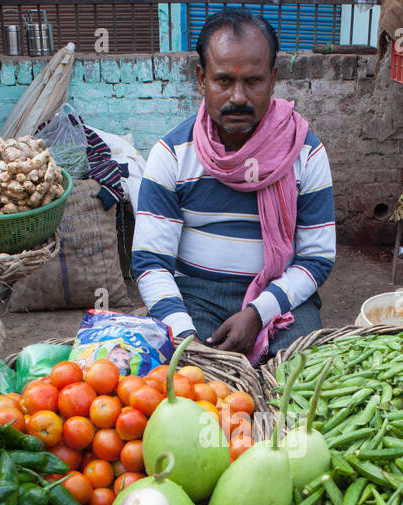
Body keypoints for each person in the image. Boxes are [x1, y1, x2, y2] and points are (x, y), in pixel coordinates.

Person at [132, 8, 336, 363]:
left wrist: (259, 312)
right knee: (187, 383)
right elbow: (151, 263)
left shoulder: (305, 152)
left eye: (253, 81)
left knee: (305, 379)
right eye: (224, 80)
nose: (238, 97)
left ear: (272, 79)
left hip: (283, 295)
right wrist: (183, 333)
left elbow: (316, 258)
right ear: (201, 79)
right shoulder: (173, 153)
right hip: (194, 297)